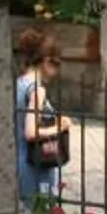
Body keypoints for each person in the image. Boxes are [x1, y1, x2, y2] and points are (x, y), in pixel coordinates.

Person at [15, 36, 68, 205]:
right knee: (39, 211)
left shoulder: (19, 83)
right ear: (46, 61)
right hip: (34, 162)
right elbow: (31, 133)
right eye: (56, 64)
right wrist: (60, 127)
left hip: (18, 157)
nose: (57, 71)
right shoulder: (37, 90)